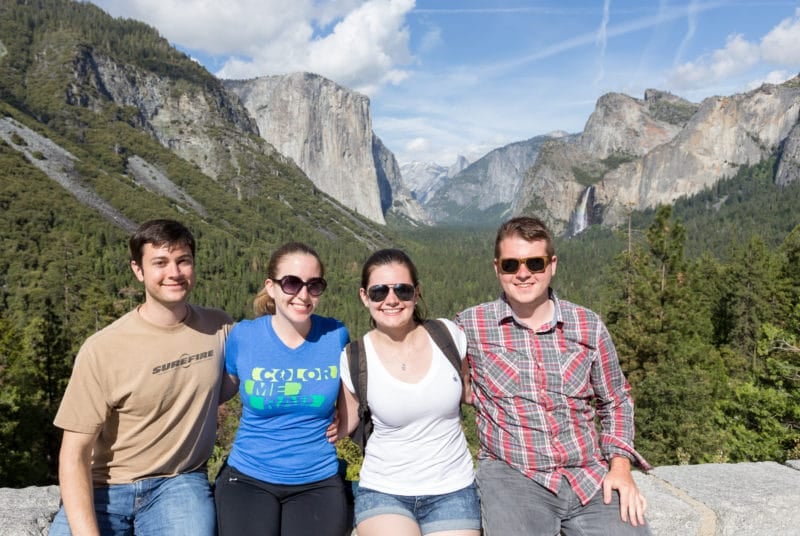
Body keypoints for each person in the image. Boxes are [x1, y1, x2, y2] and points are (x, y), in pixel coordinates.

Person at [455, 216, 652, 536]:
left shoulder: (588, 325)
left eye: (535, 263)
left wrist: (620, 466)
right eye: (510, 265)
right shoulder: (470, 326)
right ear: (496, 268)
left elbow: (615, 399)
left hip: (589, 477)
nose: (522, 273)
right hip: (514, 476)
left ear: (552, 264)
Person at [49, 219, 234, 535]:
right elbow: (74, 453)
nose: (174, 273)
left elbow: (256, 371)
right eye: (160, 263)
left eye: (183, 261)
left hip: (178, 481)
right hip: (104, 486)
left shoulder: (219, 328)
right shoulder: (103, 349)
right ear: (138, 270)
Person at [338, 248, 481, 536]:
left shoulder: (449, 336)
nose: (391, 300)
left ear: (416, 294)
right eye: (379, 292)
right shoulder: (355, 357)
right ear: (364, 296)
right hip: (384, 491)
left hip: (453, 488)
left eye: (402, 290)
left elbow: (471, 392)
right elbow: (343, 424)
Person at [214, 242, 350, 536]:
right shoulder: (244, 336)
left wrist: (346, 420)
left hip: (318, 479)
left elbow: (351, 390)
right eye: (292, 283)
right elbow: (217, 393)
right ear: (271, 287)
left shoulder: (335, 335)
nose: (303, 295)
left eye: (314, 286)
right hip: (248, 476)